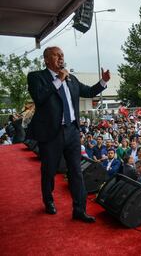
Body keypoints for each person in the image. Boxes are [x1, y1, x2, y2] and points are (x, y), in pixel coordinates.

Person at [27, 46, 110, 223]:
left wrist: (102, 82)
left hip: (72, 131)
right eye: (57, 55)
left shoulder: (71, 79)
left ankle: (79, 209)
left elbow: (88, 92)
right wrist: (58, 80)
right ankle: (48, 201)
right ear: (47, 59)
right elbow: (40, 97)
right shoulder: (36, 77)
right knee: (49, 171)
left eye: (62, 55)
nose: (61, 58)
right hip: (51, 133)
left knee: (76, 172)